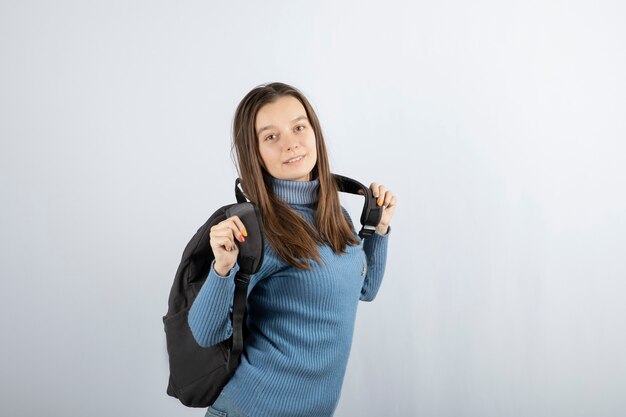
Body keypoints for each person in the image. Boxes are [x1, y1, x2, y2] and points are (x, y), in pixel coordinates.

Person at [188, 82, 397, 417]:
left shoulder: (336, 215)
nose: (291, 143)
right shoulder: (257, 230)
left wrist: (378, 230)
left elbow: (364, 289)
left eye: (299, 127)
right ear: (254, 152)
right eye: (271, 136)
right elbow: (206, 332)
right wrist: (223, 268)